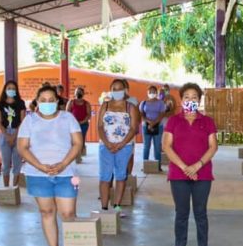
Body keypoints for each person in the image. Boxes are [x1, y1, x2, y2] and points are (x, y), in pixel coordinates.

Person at [17, 85, 82, 246]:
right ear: (37, 102)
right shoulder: (29, 121)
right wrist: (41, 166)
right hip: (37, 174)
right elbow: (22, 147)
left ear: (57, 101)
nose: (47, 103)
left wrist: (62, 164)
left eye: (51, 100)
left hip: (66, 173)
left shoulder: (68, 118)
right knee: (47, 211)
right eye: (43, 100)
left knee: (68, 213)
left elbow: (77, 143)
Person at [162, 83, 218, 246]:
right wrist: (186, 167)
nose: (190, 100)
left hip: (203, 174)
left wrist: (198, 165)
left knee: (201, 212)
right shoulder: (173, 121)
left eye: (195, 97)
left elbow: (213, 146)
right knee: (182, 212)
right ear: (181, 100)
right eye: (187, 97)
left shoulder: (207, 121)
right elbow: (166, 146)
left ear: (199, 100)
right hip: (179, 174)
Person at [98, 79, 138, 212]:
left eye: (119, 88)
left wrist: (121, 144)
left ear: (125, 90)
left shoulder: (130, 107)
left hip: (124, 147)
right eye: (114, 89)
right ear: (110, 90)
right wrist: (107, 143)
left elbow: (133, 128)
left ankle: (117, 206)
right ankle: (104, 208)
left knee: (121, 175)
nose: (117, 91)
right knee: (105, 176)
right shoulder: (105, 105)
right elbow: (99, 126)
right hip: (106, 146)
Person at [0, 81, 27, 187]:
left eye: (13, 88)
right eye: (9, 88)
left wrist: (14, 135)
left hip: (18, 133)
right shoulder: (0, 104)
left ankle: (14, 188)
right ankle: (6, 187)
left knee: (17, 162)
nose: (11, 90)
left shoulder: (20, 103)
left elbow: (22, 121)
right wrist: (7, 135)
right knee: (5, 163)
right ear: (5, 90)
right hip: (4, 134)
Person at [140, 85, 167, 167]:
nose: (152, 93)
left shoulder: (161, 103)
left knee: (157, 146)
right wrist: (149, 122)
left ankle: (158, 166)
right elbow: (142, 114)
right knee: (146, 146)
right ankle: (145, 165)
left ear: (156, 93)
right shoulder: (143, 103)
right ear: (147, 93)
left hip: (158, 126)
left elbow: (162, 114)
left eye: (153, 91)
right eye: (150, 92)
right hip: (146, 126)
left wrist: (154, 123)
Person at [66, 87, 92, 162]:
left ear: (83, 94)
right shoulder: (71, 102)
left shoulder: (86, 103)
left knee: (81, 140)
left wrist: (82, 121)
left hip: (83, 125)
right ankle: (75, 156)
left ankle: (79, 156)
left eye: (80, 92)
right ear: (74, 93)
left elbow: (88, 115)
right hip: (73, 125)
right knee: (73, 140)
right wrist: (73, 122)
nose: (78, 93)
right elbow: (67, 113)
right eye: (77, 92)